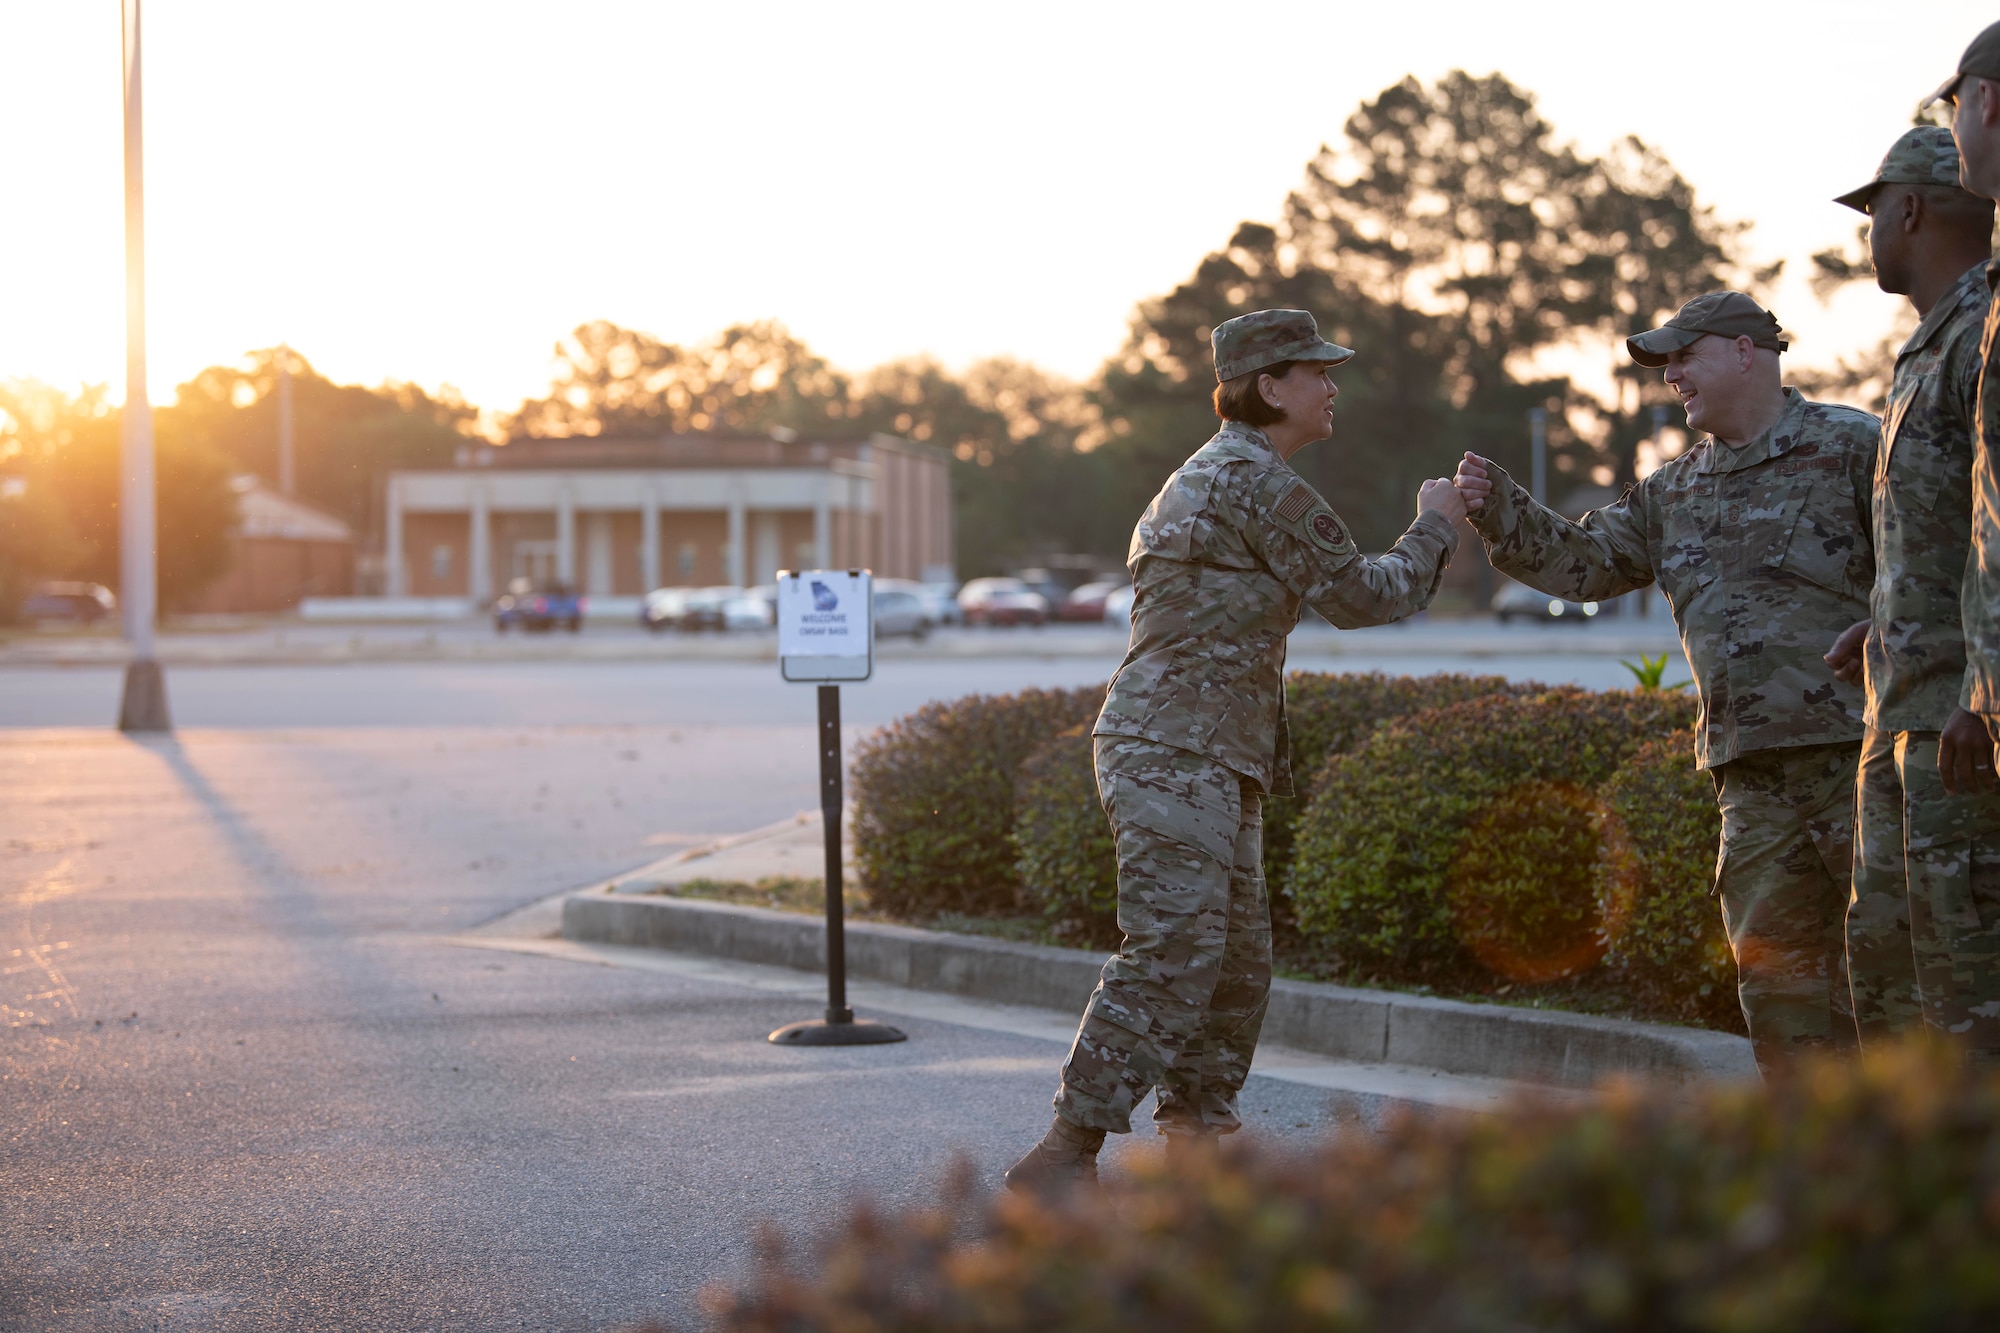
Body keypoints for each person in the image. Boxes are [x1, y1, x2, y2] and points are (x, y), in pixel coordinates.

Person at [1006, 309, 1466, 1191]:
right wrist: (1436, 524)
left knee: (1234, 963)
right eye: (1317, 371)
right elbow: (1365, 594)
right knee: (1174, 951)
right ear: (1270, 386)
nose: (1333, 386)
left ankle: (1200, 1147)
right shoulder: (1255, 480)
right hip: (1175, 749)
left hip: (1207, 752)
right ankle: (1066, 1151)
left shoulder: (1219, 474)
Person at [1453, 293, 1878, 1077]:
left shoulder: (1856, 447)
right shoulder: (1672, 490)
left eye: (1685, 356)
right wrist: (1500, 508)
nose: (1672, 375)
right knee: (1781, 993)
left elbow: (1941, 564)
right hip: (1750, 778)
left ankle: (1935, 1167)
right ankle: (1823, 1174)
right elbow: (1583, 564)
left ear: (1746, 352)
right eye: (1665, 364)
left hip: (1864, 764)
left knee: (1894, 976)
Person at [1820, 126, 2000, 1057]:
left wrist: (1983, 691)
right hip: (1901, 717)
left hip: (1959, 738)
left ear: (1911, 209)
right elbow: (1951, 536)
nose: (1870, 234)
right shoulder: (1929, 350)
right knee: (1892, 991)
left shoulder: (1983, 336)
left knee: (1965, 1004)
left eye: (1874, 213)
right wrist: (1886, 622)